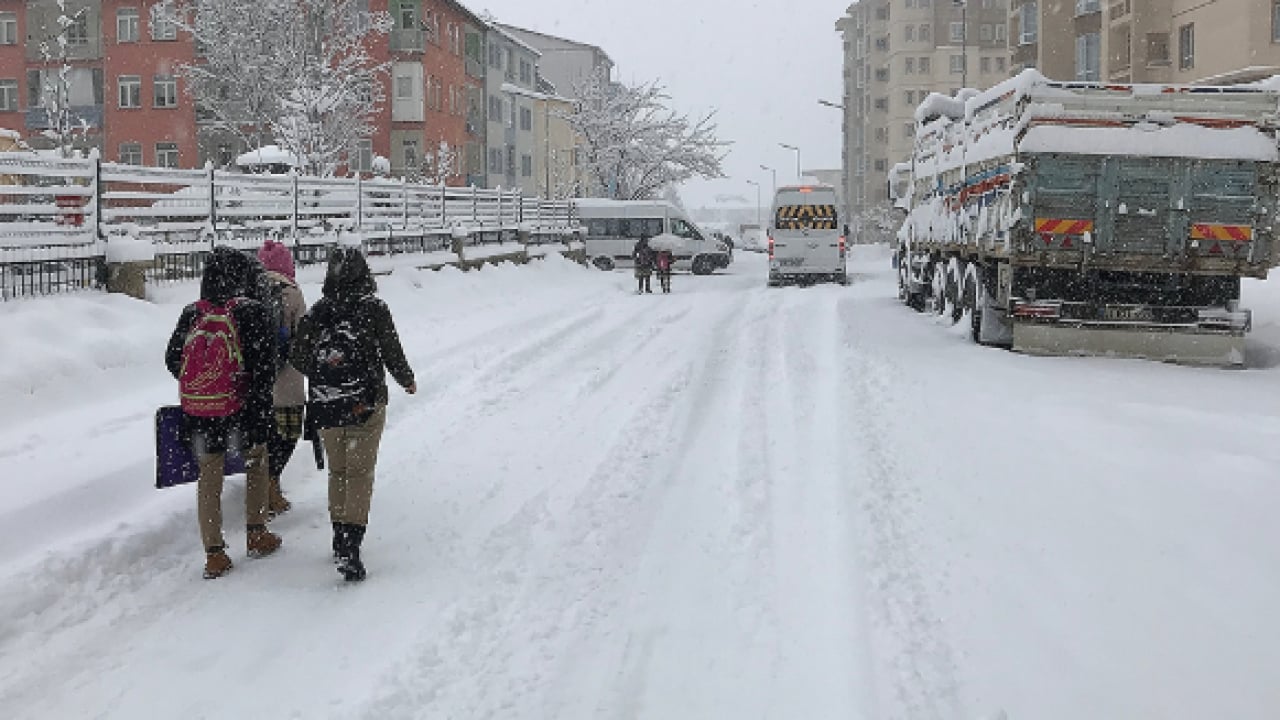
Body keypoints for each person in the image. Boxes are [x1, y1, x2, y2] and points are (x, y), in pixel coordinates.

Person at [290, 247, 416, 582]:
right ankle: (351, 544)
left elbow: (298, 356)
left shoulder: (318, 312)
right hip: (365, 402)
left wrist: (324, 370)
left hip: (326, 403)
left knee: (339, 472)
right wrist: (406, 379)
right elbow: (391, 349)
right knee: (359, 474)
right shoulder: (374, 308)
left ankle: (338, 535)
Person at [165, 246, 282, 579]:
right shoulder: (252, 311)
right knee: (257, 463)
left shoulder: (192, 313)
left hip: (201, 412)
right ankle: (257, 533)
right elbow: (265, 367)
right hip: (243, 410)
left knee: (209, 477)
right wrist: (248, 396)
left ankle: (214, 554)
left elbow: (173, 358)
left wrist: (205, 383)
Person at [256, 238, 307, 516]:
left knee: (262, 437)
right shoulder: (292, 293)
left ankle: (262, 486)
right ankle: (272, 484)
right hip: (287, 380)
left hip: (256, 381)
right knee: (287, 434)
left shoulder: (248, 290)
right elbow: (305, 337)